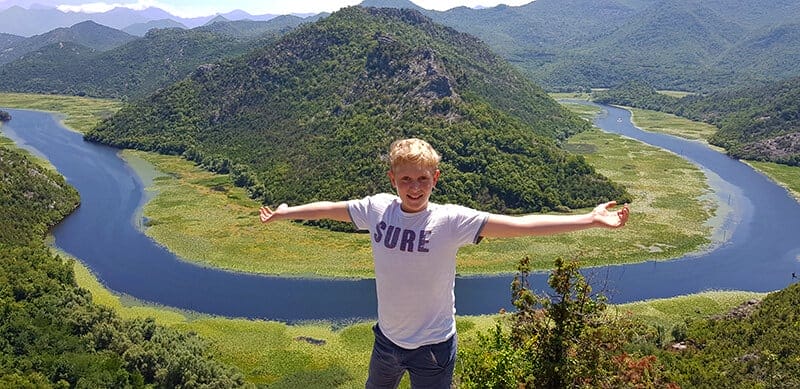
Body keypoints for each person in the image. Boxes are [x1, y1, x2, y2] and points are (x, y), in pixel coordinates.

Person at [259, 138, 629, 388]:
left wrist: (589, 219)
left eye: (423, 179)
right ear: (393, 179)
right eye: (406, 179)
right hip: (386, 343)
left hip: (434, 349)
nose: (415, 187)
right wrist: (284, 214)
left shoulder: (451, 220)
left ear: (435, 179)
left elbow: (521, 225)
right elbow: (331, 209)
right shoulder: (376, 209)